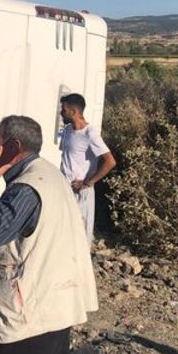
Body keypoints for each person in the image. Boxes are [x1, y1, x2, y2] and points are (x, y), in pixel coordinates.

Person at [0, 115, 98, 354]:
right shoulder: (50, 174)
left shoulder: (27, 187)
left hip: (31, 313)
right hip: (57, 304)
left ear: (13, 147)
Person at [59, 93, 116, 244]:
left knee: (80, 238)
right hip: (65, 189)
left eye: (63, 109)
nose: (61, 113)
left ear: (74, 112)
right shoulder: (67, 131)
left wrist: (87, 183)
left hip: (80, 192)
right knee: (62, 234)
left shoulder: (90, 134)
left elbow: (110, 161)